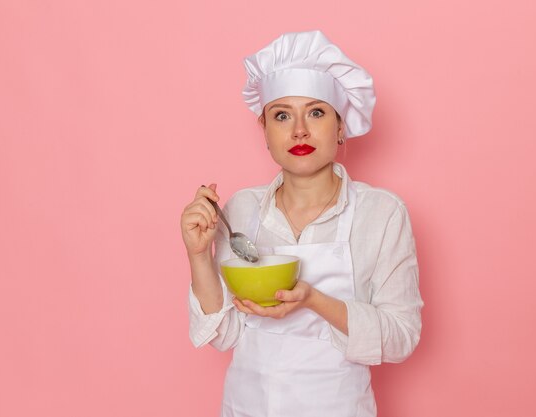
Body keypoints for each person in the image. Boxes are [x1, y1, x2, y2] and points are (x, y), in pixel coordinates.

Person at [181, 30, 423, 417]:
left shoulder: (381, 213)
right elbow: (225, 335)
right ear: (265, 132)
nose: (299, 130)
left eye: (316, 112)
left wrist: (313, 300)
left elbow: (401, 338)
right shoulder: (240, 209)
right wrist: (198, 255)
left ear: (341, 127)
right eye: (281, 115)